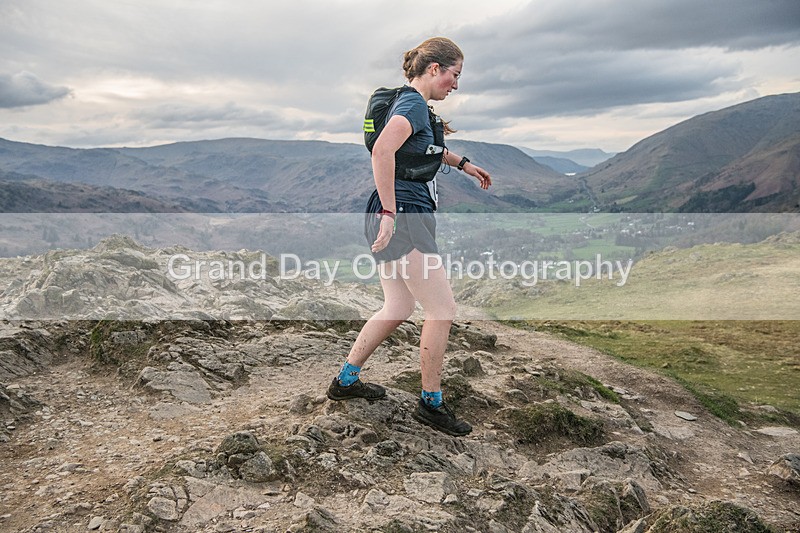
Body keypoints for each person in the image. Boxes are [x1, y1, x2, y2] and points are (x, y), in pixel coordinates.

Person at [326, 37, 492, 437]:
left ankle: (345, 381)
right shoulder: (414, 103)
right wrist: (390, 213)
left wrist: (464, 164)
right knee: (442, 309)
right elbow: (383, 151)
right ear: (434, 68)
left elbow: (424, 148)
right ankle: (430, 403)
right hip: (404, 214)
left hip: (393, 212)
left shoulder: (412, 104)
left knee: (398, 304)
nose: (456, 84)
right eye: (455, 75)